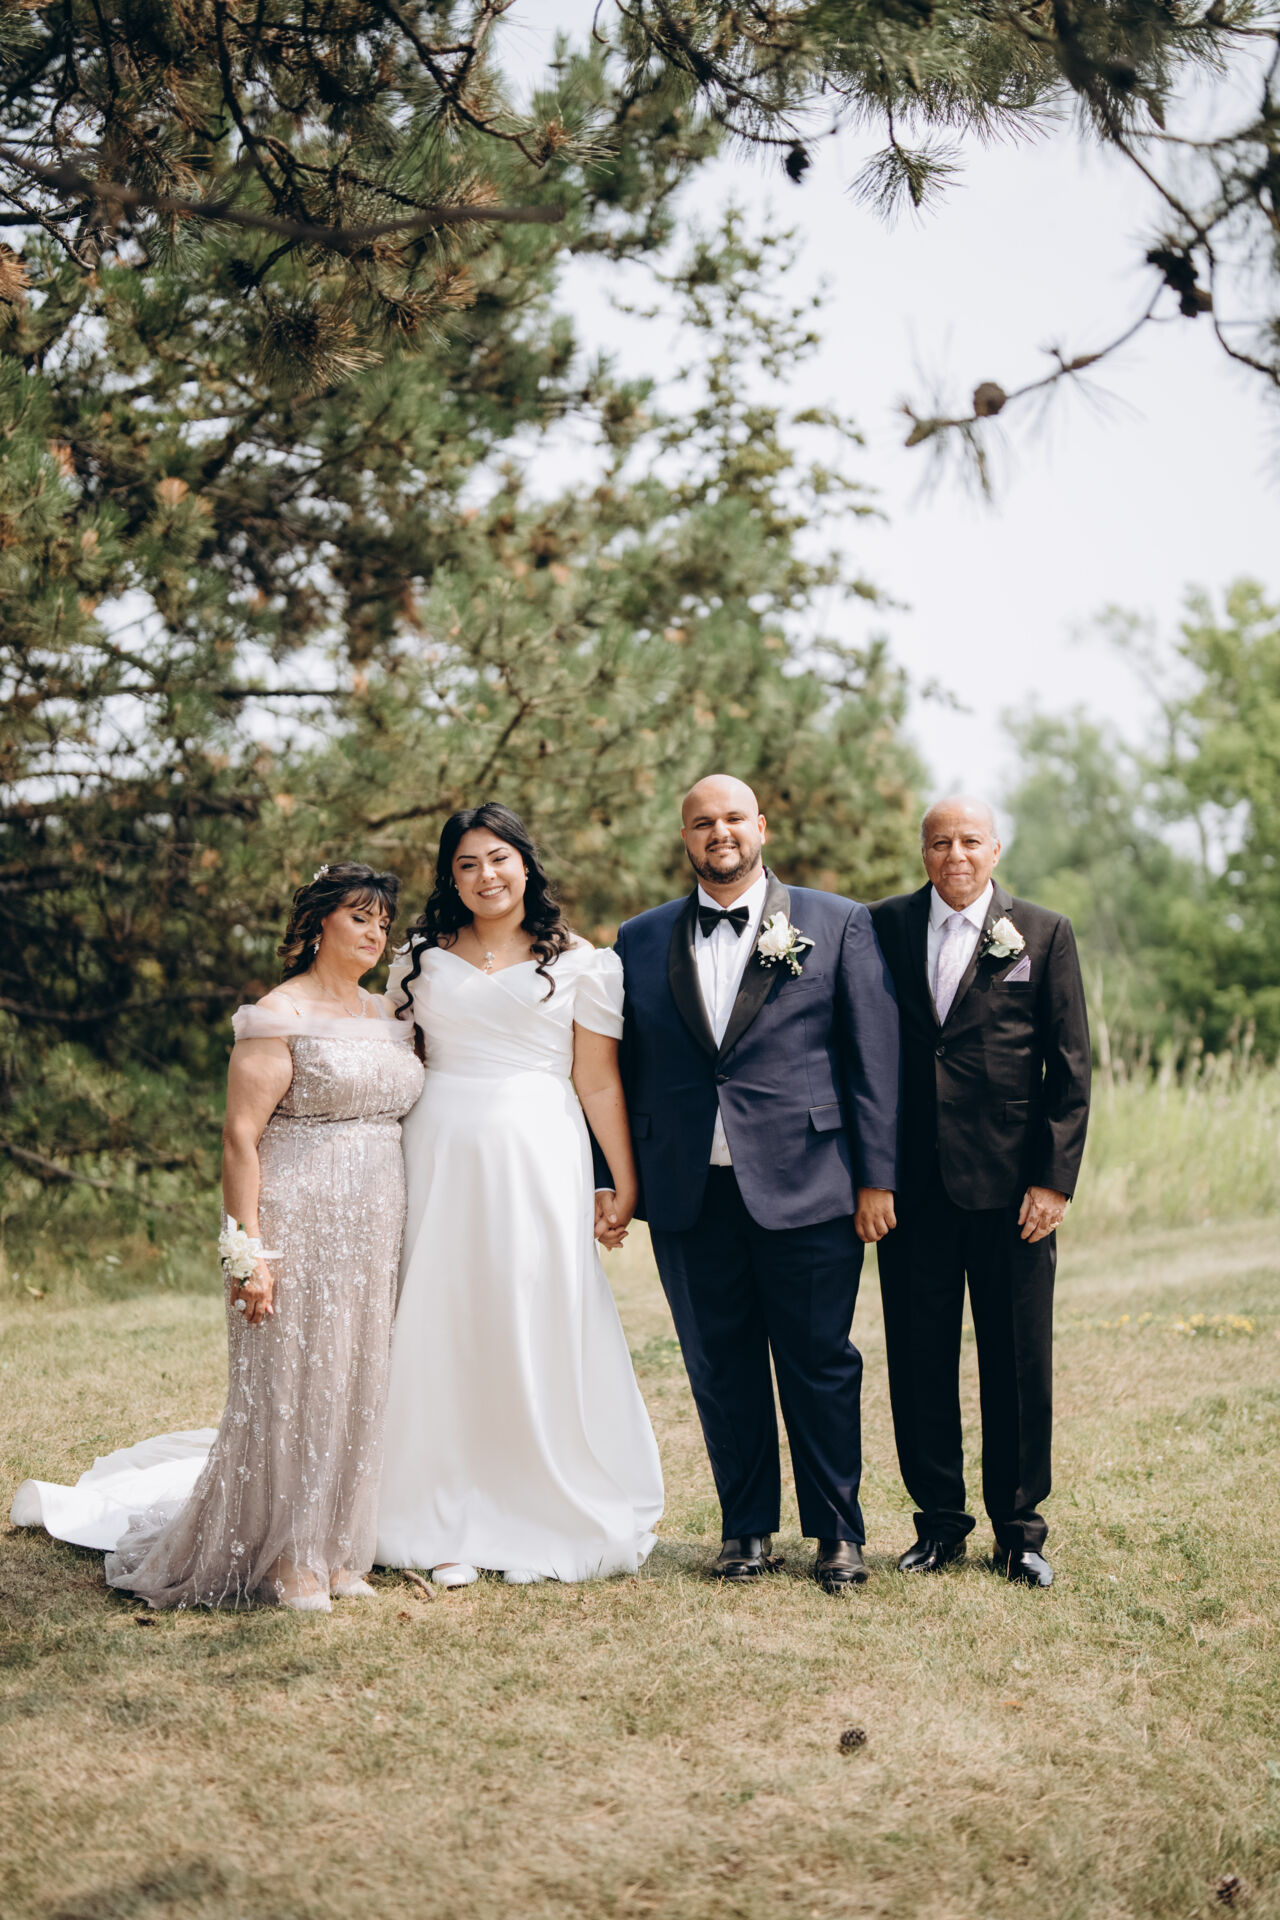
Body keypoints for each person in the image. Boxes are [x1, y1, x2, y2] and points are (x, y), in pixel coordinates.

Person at [10, 863, 424, 1611]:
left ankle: (334, 1549)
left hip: (373, 1224)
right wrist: (248, 1251)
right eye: (360, 917)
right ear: (319, 923)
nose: (375, 933)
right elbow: (239, 1138)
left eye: (383, 923)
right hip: (299, 1216)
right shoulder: (277, 1013)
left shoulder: (388, 1013)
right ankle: (286, 1559)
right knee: (290, 1386)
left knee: (356, 1380)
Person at [597, 775, 900, 1591]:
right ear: (685, 837)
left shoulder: (837, 922)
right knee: (718, 1364)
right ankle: (745, 1530)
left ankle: (838, 1533)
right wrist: (611, 1178)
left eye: (733, 818)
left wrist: (878, 1178)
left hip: (811, 1182)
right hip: (688, 1190)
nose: (719, 832)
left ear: (761, 825)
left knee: (820, 1362)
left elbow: (873, 1061)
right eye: (702, 822)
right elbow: (614, 1070)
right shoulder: (637, 938)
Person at [375, 803, 663, 1586]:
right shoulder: (418, 958)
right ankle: (433, 1505)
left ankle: (534, 1500)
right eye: (466, 864)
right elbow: (396, 1059)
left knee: (529, 1307)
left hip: (538, 1152)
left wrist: (621, 1179)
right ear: (450, 878)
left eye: (498, 858)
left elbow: (597, 1081)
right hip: (436, 1150)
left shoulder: (583, 964)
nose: (485, 876)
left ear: (526, 864)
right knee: (441, 1313)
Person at [870, 797, 1091, 1588]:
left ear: (996, 849)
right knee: (919, 1362)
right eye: (939, 842)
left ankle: (1020, 1532)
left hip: (1013, 1193)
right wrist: (873, 1174)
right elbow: (864, 1052)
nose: (954, 854)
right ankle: (938, 1526)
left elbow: (1070, 1069)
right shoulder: (882, 926)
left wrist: (1053, 1181)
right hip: (911, 1191)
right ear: (923, 852)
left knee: (1019, 1364)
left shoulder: (1044, 932)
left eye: (970, 840)